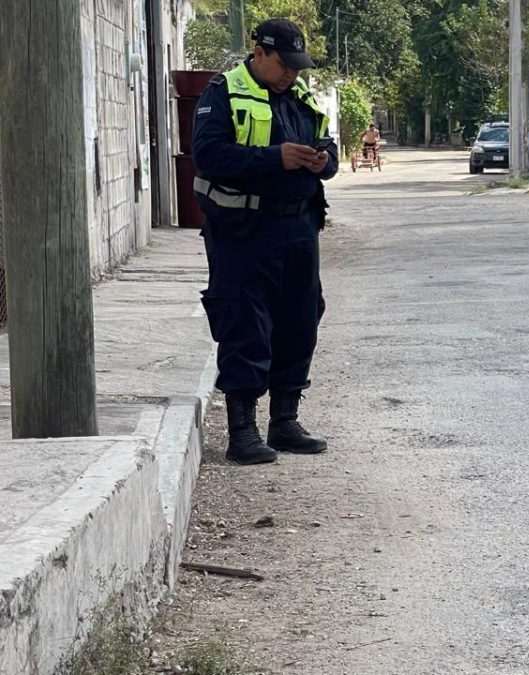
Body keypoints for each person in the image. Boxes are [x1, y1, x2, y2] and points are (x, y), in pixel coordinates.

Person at [191, 18, 338, 465]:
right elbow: (209, 155)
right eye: (284, 64)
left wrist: (321, 161)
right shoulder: (224, 92)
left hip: (298, 227)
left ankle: (285, 420)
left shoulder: (301, 97)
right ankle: (242, 429)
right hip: (243, 230)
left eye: (297, 65)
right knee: (246, 322)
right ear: (259, 54)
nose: (291, 73)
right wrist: (275, 158)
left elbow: (328, 150)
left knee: (301, 319)